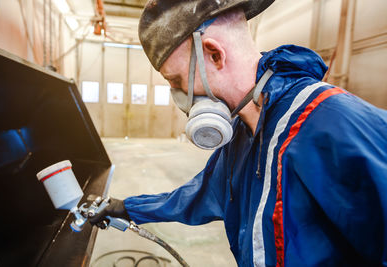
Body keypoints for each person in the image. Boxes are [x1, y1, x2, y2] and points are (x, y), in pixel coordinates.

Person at [90, 0, 387, 266]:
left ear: (215, 55)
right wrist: (128, 209)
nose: (180, 98)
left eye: (177, 80)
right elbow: (201, 195)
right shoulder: (242, 136)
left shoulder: (332, 122)